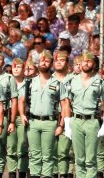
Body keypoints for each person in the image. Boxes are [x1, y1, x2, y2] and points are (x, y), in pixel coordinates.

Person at [21, 50, 66, 178]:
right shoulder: (30, 82)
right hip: (33, 122)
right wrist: (22, 114)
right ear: (38, 63)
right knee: (34, 155)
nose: (44, 63)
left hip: (50, 123)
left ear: (51, 64)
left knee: (48, 156)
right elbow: (21, 101)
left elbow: (64, 106)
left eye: (47, 61)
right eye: (42, 60)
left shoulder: (57, 83)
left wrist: (61, 125)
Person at [66, 52, 104, 178]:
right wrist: (67, 124)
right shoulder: (71, 81)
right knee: (79, 159)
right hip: (76, 121)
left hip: (92, 121)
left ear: (94, 64)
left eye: (89, 61)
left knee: (91, 160)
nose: (86, 63)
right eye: (84, 61)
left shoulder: (99, 82)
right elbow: (67, 104)